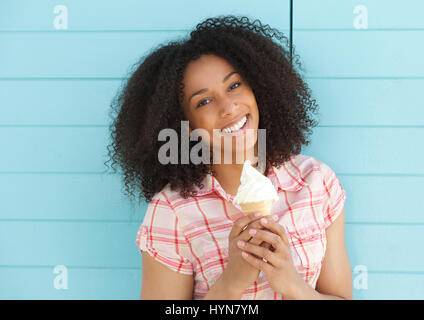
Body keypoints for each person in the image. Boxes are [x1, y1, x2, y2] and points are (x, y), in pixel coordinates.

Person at [106, 15, 353, 300]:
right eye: (204, 101)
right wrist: (232, 283)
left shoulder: (316, 182)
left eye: (234, 85)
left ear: (258, 87)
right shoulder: (172, 212)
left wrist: (291, 284)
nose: (228, 107)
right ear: (185, 125)